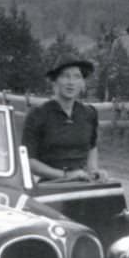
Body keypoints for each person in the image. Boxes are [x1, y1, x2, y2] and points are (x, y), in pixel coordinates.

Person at [22, 54, 107, 182]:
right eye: (65, 76)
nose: (71, 82)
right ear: (55, 80)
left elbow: (92, 147)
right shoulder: (38, 114)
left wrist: (94, 171)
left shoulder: (89, 113)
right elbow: (29, 161)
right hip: (51, 187)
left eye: (77, 76)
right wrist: (66, 176)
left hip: (82, 184)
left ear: (82, 83)